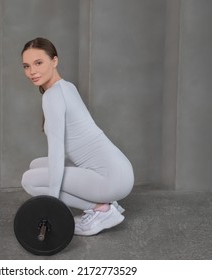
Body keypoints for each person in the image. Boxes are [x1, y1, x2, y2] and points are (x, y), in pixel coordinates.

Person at [20, 37, 134, 236]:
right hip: (121, 171)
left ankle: (101, 209)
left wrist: (51, 203)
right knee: (35, 166)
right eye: (26, 66)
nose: (32, 72)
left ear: (54, 61)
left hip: (110, 180)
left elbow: (56, 151)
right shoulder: (67, 87)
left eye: (38, 63)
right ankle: (106, 203)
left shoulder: (52, 96)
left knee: (29, 180)